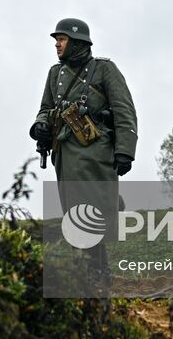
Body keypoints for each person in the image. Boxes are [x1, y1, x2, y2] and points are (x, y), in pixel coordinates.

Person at [30, 17, 137, 288]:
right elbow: (46, 106)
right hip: (64, 153)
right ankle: (93, 272)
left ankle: (97, 273)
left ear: (77, 42)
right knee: (76, 215)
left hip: (96, 153)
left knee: (91, 213)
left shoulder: (104, 70)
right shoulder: (56, 74)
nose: (57, 45)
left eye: (61, 39)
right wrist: (41, 124)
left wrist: (125, 150)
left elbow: (124, 110)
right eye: (56, 40)